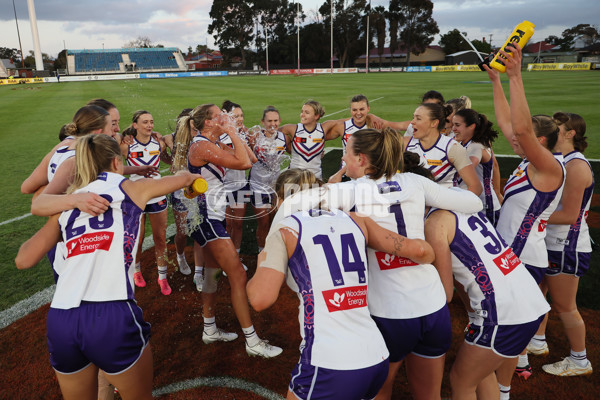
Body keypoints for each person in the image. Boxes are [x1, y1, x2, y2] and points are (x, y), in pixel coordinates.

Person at [273, 127, 483, 400]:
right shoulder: (414, 182)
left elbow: (293, 204)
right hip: (433, 306)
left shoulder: (354, 189)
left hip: (390, 311)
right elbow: (473, 201)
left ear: (361, 159)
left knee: (380, 393)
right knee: (430, 395)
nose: (344, 159)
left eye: (347, 153)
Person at [15, 133, 202, 400]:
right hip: (111, 312)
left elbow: (24, 259)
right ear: (116, 163)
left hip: (61, 318)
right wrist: (190, 179)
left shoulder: (68, 204)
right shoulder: (131, 188)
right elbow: (183, 178)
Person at [247, 168, 436, 400]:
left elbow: (259, 299)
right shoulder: (356, 220)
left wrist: (262, 262)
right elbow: (419, 250)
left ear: (283, 199)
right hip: (376, 355)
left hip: (329, 363)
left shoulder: (286, 229)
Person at [485, 44, 565, 398]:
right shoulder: (528, 163)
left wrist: (516, 76)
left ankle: (503, 389)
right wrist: (496, 81)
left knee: (507, 326)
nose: (512, 137)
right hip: (510, 256)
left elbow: (519, 127)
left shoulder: (549, 166)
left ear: (541, 141)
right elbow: (508, 123)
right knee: (507, 324)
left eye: (525, 137)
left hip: (523, 260)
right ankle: (518, 365)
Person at [185, 103, 282, 357]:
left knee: (212, 274)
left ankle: (209, 328)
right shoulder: (202, 145)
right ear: (208, 123)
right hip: (208, 218)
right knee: (238, 275)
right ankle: (252, 341)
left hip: (210, 217)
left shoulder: (212, 143)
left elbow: (249, 159)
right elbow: (242, 163)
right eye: (220, 116)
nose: (225, 117)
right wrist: (233, 131)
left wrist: (233, 133)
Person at [425, 206, 549, 400]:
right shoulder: (461, 204)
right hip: (528, 301)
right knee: (482, 374)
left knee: (461, 381)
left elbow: (446, 293)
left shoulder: (434, 223)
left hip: (502, 313)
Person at [528, 112, 593, 377]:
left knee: (565, 305)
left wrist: (530, 216)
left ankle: (580, 360)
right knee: (539, 294)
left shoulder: (576, 166)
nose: (554, 131)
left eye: (559, 127)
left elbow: (569, 214)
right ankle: (537, 341)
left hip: (566, 243)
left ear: (570, 134)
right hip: (552, 240)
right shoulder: (562, 161)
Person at [120, 110, 172, 295]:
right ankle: (136, 271)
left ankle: (162, 277)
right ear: (135, 125)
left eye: (151, 122)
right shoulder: (126, 145)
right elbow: (115, 165)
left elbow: (170, 139)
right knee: (137, 240)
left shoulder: (159, 142)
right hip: (136, 198)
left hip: (157, 196)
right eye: (144, 122)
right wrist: (123, 137)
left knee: (160, 239)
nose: (149, 125)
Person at [405, 102, 483, 196]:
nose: (412, 122)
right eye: (413, 117)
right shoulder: (404, 144)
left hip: (441, 207)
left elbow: (475, 187)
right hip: (412, 204)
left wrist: (450, 206)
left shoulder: (452, 148)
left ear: (434, 123)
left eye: (418, 118)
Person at [248, 106, 289, 252]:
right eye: (269, 121)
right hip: (258, 187)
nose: (273, 124)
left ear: (280, 121)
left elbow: (292, 152)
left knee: (274, 221)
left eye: (276, 120)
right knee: (263, 223)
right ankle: (262, 252)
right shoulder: (255, 138)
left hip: (275, 188)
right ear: (262, 122)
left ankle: (274, 252)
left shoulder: (283, 138)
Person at [451, 108, 502, 225]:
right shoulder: (466, 143)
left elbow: (469, 164)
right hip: (476, 203)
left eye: (457, 125)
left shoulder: (476, 146)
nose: (453, 129)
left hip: (485, 207)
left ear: (472, 126)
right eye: (453, 124)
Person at [221, 100, 257, 261]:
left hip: (241, 186)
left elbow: (252, 159)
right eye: (236, 116)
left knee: (238, 225)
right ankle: (226, 258)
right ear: (227, 117)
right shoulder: (220, 137)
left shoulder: (241, 135)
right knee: (227, 225)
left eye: (241, 115)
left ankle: (235, 256)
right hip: (225, 188)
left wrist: (241, 136)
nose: (240, 119)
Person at [280, 100, 343, 180]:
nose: (302, 115)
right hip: (294, 178)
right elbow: (271, 133)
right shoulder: (291, 129)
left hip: (315, 178)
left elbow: (344, 122)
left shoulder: (323, 128)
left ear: (316, 116)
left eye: (307, 112)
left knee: (315, 192)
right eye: (302, 111)